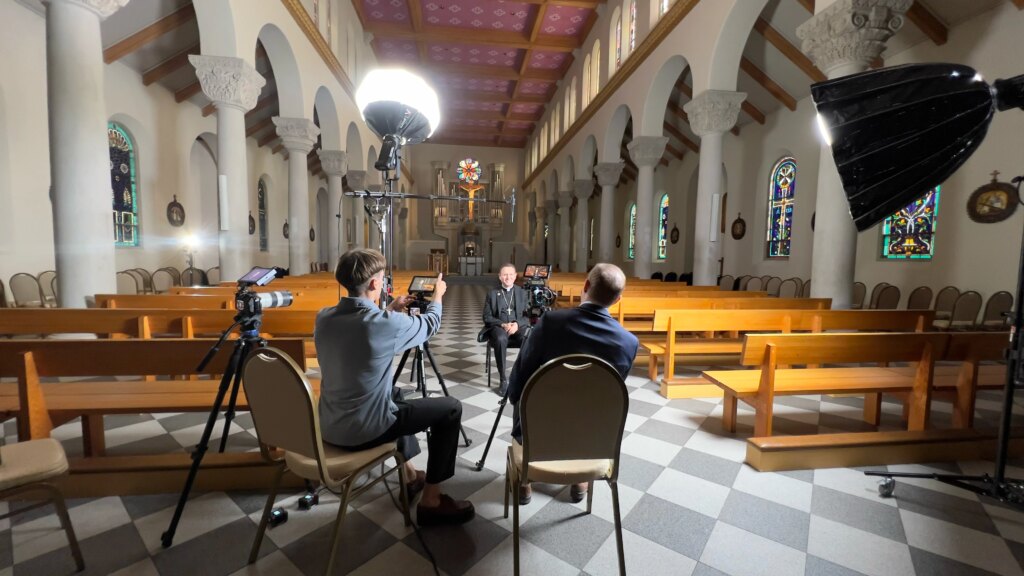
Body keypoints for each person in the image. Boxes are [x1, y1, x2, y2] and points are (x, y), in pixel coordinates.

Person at [314, 248, 474, 526]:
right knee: (450, 409)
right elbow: (430, 324)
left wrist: (389, 309)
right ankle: (432, 500)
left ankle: (411, 476)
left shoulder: (324, 317)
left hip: (329, 425)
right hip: (363, 430)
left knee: (396, 393)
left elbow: (363, 327)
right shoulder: (382, 325)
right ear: (375, 284)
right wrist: (437, 296)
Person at [506, 263, 639, 505]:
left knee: (524, 392)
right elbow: (610, 394)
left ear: (585, 286)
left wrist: (514, 394)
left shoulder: (550, 323)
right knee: (592, 400)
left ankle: (525, 479)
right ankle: (581, 475)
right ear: (618, 299)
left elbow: (520, 376)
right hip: (592, 437)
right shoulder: (628, 343)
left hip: (540, 431)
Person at [480, 263, 531, 395]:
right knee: (501, 338)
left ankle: (522, 376)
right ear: (500, 277)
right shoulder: (492, 294)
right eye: (504, 274)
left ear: (515, 276)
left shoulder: (522, 293)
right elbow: (487, 317)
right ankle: (503, 379)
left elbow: (528, 316)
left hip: (517, 327)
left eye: (510, 274)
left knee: (528, 338)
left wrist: (516, 325)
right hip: (499, 327)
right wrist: (503, 324)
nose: (507, 277)